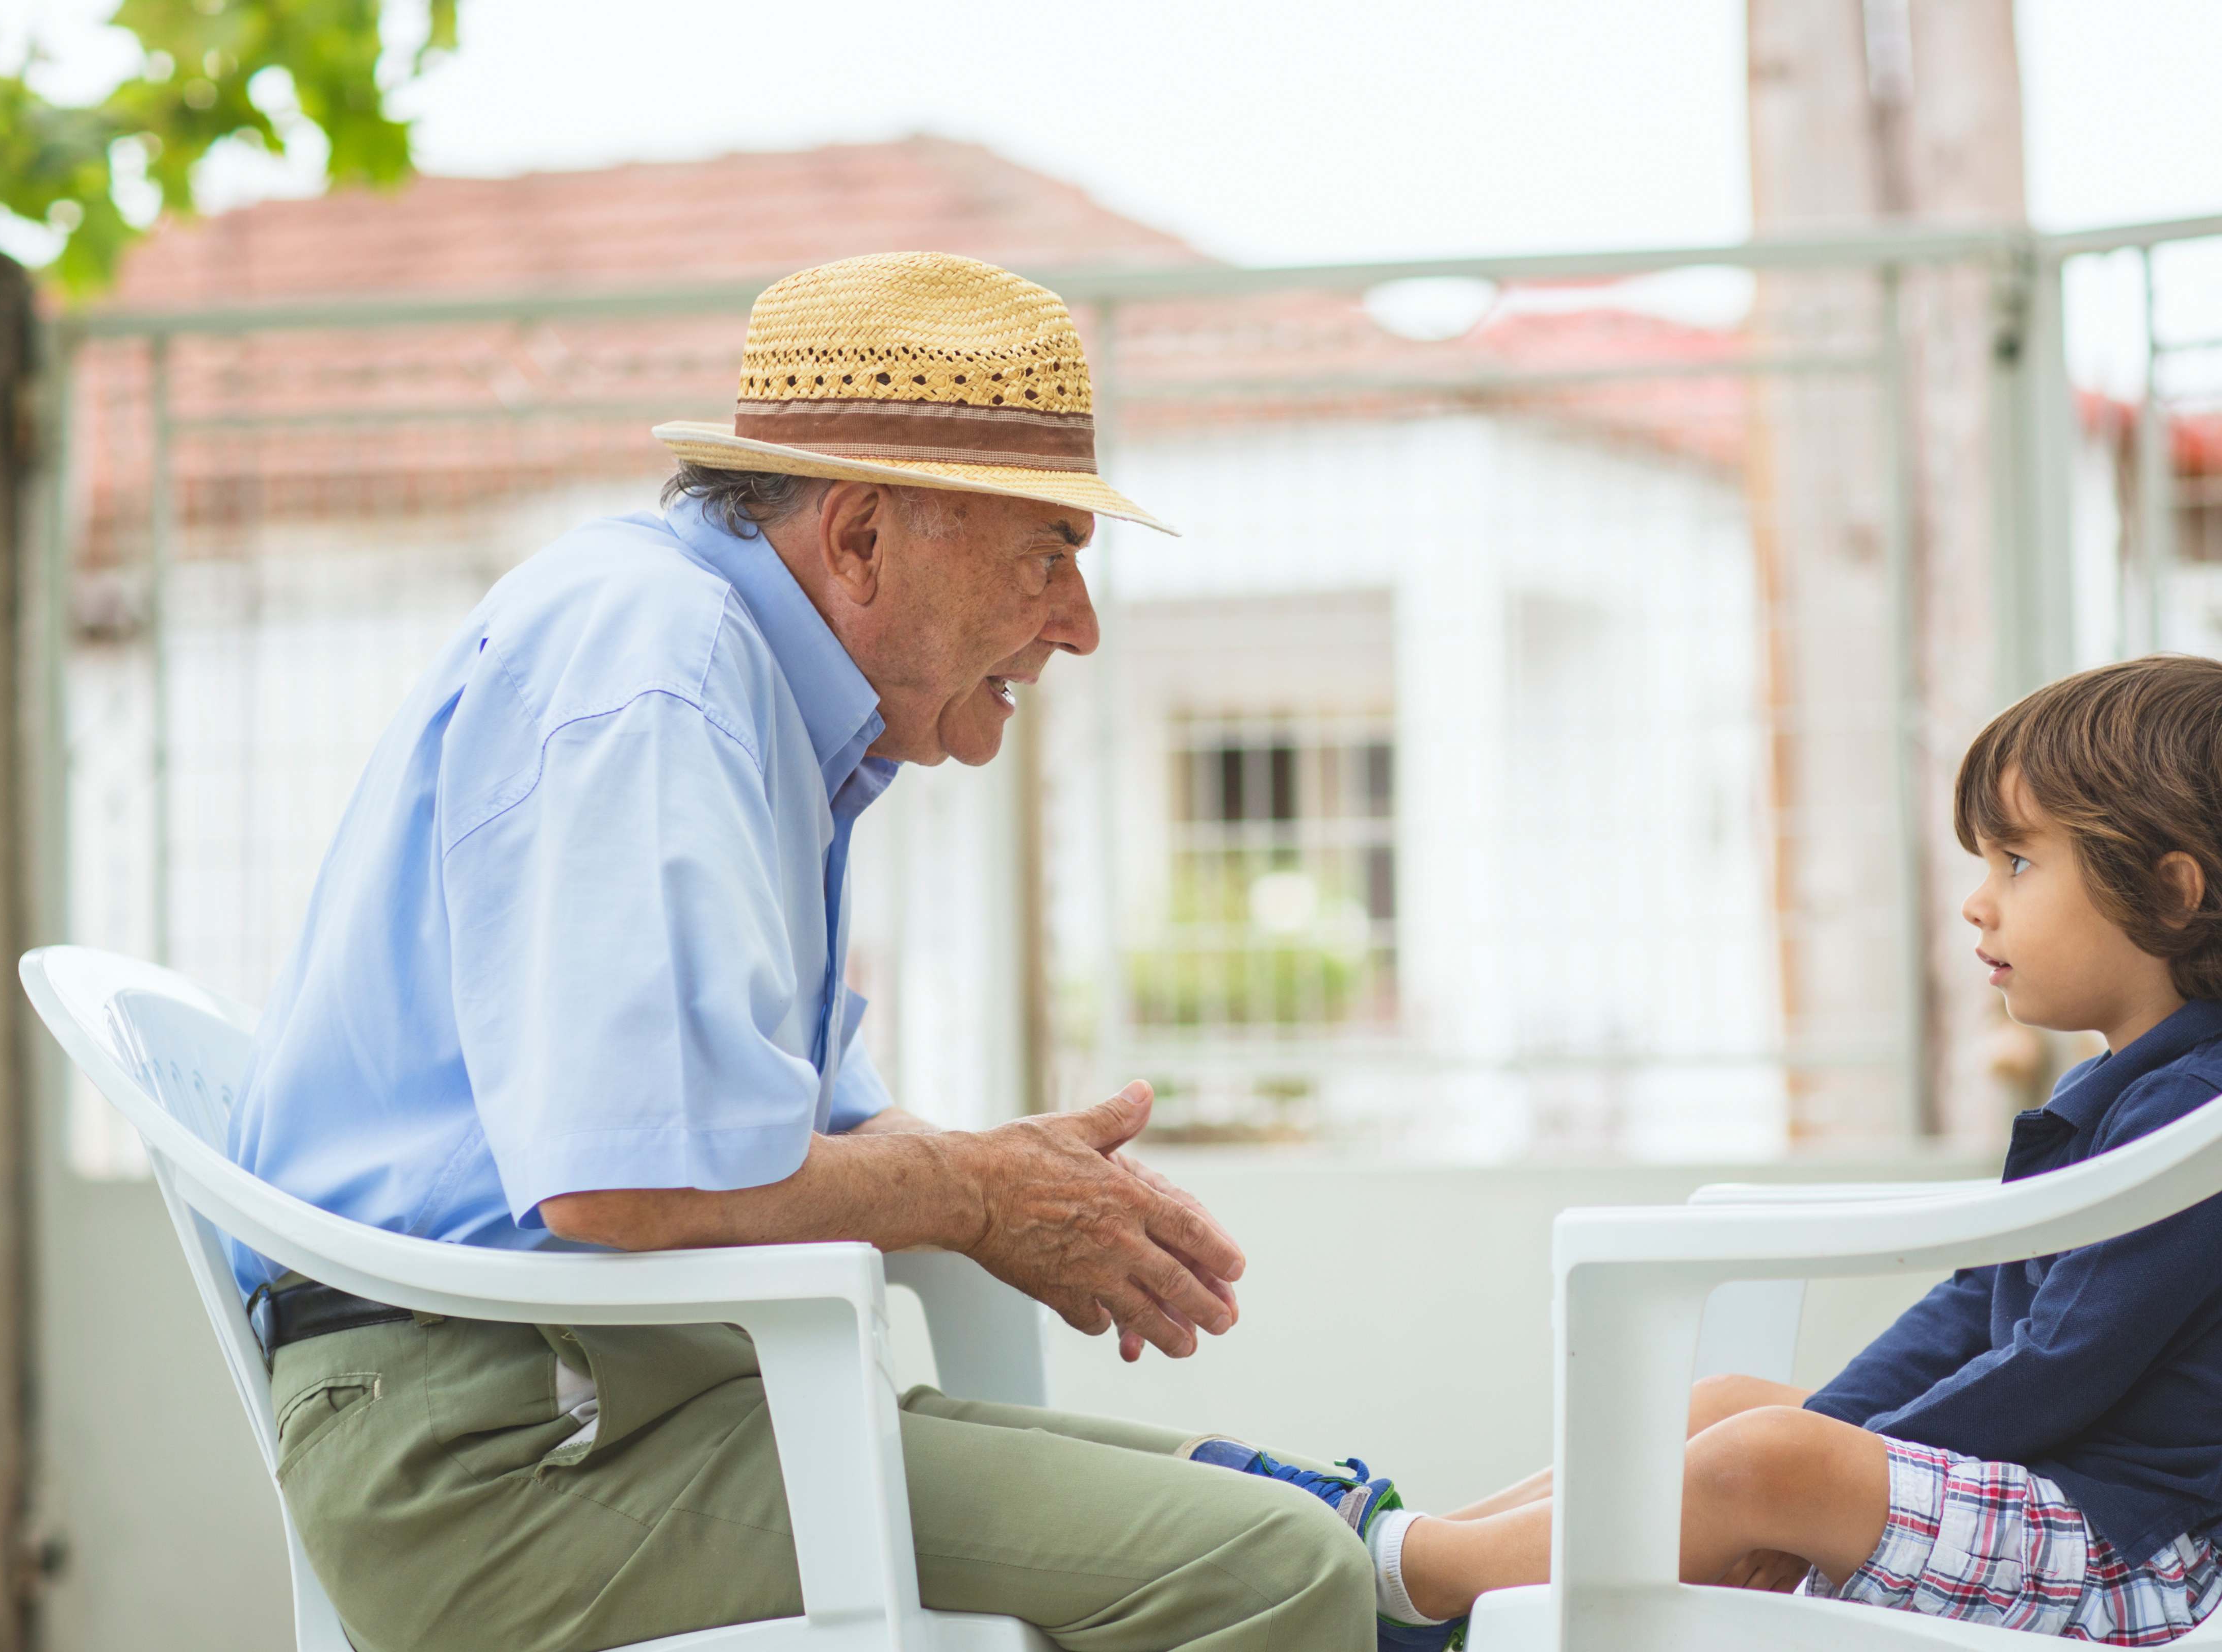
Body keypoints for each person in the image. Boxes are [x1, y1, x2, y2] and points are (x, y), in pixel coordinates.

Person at [226, 251, 1414, 1652]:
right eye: (1048, 555)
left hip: (624, 1401)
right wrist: (973, 1194)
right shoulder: (658, 662)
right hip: (511, 1457)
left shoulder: (745, 687)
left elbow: (797, 1138)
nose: (1079, 626)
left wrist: (1003, 1189)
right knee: (1270, 1572)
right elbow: (633, 1180)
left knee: (1293, 1527)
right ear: (859, 540)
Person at [1212, 654, 2222, 1647]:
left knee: (1766, 1463)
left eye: (2017, 863)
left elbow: (2059, 1363)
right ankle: (1441, 1547)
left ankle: (1412, 1585)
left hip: (2135, 1563)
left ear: (2169, 891)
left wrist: (1809, 1490)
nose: (1979, 904)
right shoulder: (2152, 1090)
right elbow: (1978, 1311)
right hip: (2067, 1512)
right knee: (1733, 1407)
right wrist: (1822, 1450)